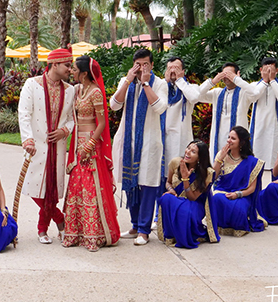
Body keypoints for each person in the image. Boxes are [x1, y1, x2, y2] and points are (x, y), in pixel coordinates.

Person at [62, 55, 120, 252]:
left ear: (85, 73)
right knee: (77, 186)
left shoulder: (95, 92)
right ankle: (75, 233)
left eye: (75, 69)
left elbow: (102, 123)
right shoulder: (78, 90)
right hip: (77, 140)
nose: (72, 71)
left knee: (90, 187)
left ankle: (94, 234)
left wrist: (90, 145)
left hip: (90, 143)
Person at [110, 48, 168, 246]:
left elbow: (160, 107)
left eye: (145, 64)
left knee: (148, 184)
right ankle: (135, 225)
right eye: (138, 65)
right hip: (128, 143)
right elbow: (114, 105)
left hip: (150, 143)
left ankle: (144, 229)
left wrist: (144, 83)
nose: (141, 68)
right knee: (130, 182)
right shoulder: (127, 81)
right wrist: (128, 80)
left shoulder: (159, 84)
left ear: (152, 65)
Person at [18, 47, 75, 244]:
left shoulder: (70, 90)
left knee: (51, 189)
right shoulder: (32, 85)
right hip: (36, 145)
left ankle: (42, 230)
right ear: (54, 65)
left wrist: (64, 131)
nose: (70, 69)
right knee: (34, 186)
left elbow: (71, 119)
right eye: (67, 65)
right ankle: (60, 220)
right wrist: (28, 139)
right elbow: (24, 113)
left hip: (57, 146)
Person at [157, 141, 220, 248]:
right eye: (188, 148)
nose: (188, 152)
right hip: (177, 199)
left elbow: (193, 197)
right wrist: (170, 189)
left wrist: (186, 179)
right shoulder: (176, 162)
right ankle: (171, 236)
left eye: (193, 151)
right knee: (166, 198)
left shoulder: (207, 173)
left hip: (194, 204)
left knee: (184, 212)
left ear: (199, 158)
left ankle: (185, 235)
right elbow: (168, 182)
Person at [198, 62, 261, 160]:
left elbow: (255, 93)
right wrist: (213, 81)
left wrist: (237, 79)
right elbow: (198, 95)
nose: (227, 77)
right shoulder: (217, 93)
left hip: (237, 137)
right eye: (224, 74)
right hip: (218, 135)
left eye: (230, 74)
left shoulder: (243, 93)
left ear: (237, 74)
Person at [212, 126, 267, 236]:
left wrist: (237, 194)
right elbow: (212, 178)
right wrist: (219, 159)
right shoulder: (221, 155)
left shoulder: (252, 162)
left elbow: (252, 188)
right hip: (223, 192)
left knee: (239, 209)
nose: (229, 140)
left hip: (242, 195)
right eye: (229, 137)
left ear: (241, 142)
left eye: (233, 138)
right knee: (216, 198)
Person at [248, 57, 278, 170]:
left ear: (277, 70)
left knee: (274, 148)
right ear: (261, 70)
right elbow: (253, 97)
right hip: (258, 124)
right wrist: (265, 82)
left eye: (272, 70)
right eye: (266, 70)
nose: (269, 73)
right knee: (256, 148)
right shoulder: (254, 85)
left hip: (274, 124)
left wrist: (272, 81)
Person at [164, 56, 201, 165]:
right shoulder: (161, 87)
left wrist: (180, 81)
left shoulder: (190, 87)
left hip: (181, 136)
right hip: (163, 135)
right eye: (169, 68)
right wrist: (165, 82)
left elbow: (194, 98)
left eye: (176, 68)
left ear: (183, 71)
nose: (172, 71)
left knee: (181, 169)